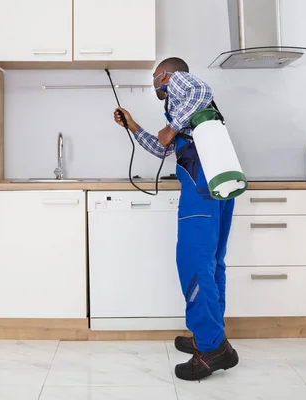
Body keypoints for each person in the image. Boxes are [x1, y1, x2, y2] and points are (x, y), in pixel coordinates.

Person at [113, 57, 239, 381]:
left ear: (165, 74)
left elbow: (200, 90)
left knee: (194, 264)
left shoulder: (180, 82)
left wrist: (170, 127)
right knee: (211, 264)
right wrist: (132, 126)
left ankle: (212, 348)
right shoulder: (185, 111)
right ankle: (212, 336)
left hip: (200, 186)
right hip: (219, 183)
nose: (154, 82)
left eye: (155, 76)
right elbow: (161, 147)